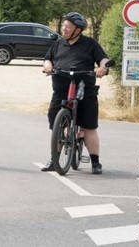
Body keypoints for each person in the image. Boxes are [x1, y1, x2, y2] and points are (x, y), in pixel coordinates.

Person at [41, 12, 110, 175]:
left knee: (89, 126)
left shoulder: (90, 44)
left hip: (84, 89)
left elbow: (103, 59)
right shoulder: (58, 43)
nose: (64, 29)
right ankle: (54, 159)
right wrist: (48, 66)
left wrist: (102, 68)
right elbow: (47, 58)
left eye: (68, 27)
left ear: (78, 30)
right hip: (61, 89)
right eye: (64, 26)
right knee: (56, 124)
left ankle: (95, 162)